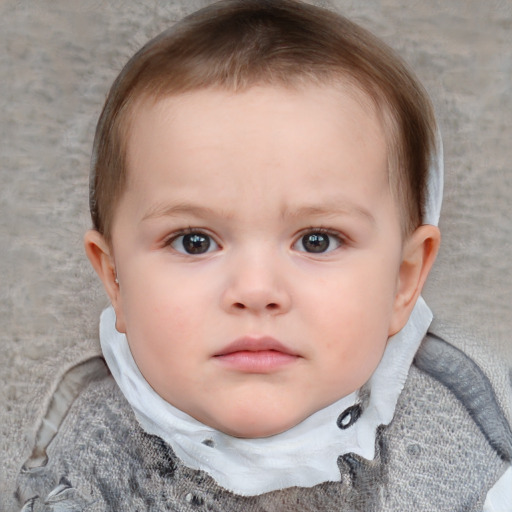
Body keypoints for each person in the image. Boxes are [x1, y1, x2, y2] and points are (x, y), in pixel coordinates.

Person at [16, 1, 512, 510]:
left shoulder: (454, 438)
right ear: (115, 279)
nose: (255, 291)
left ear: (403, 281)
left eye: (317, 240)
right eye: (195, 241)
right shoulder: (88, 447)